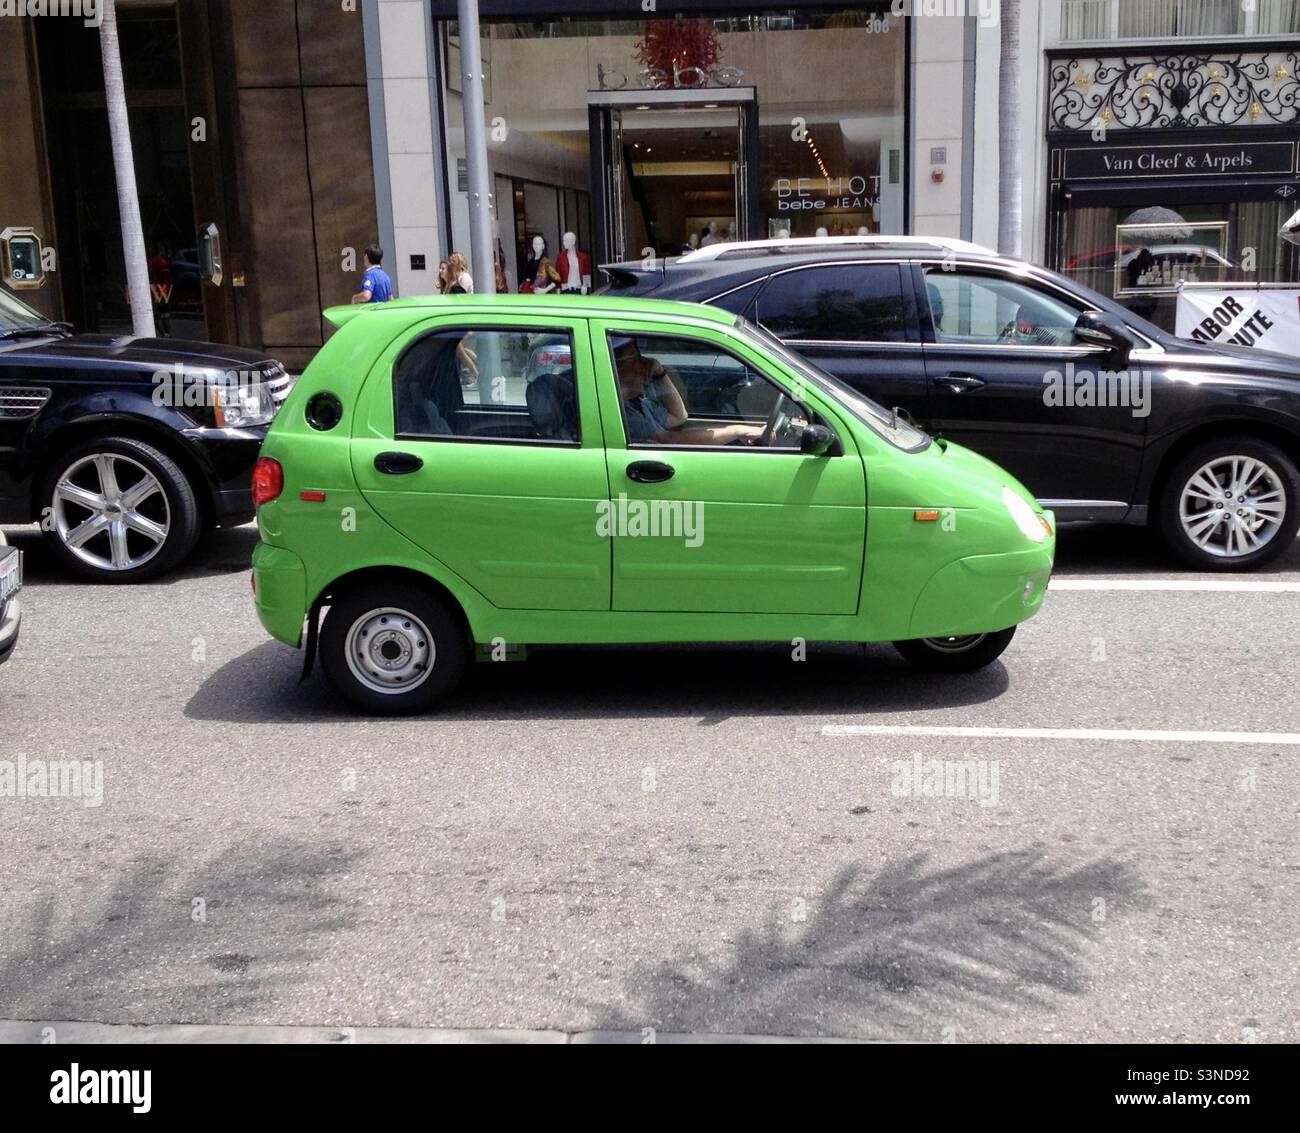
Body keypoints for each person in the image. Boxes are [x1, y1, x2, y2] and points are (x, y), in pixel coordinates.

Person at [612, 337, 763, 446]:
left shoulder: (639, 403)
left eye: (639, 359)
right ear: (613, 367)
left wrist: (660, 374)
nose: (641, 366)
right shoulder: (620, 412)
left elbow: (680, 417)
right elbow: (668, 440)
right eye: (630, 362)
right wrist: (735, 431)